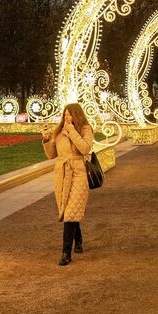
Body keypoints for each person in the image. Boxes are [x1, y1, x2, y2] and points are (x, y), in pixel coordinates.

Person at [41, 102, 94, 266]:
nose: (66, 118)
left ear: (76, 115)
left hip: (78, 172)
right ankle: (78, 240)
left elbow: (85, 148)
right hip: (62, 174)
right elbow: (51, 155)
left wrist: (71, 131)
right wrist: (46, 140)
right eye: (64, 115)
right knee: (70, 209)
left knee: (70, 212)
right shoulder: (59, 131)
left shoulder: (85, 129)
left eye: (69, 115)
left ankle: (66, 253)